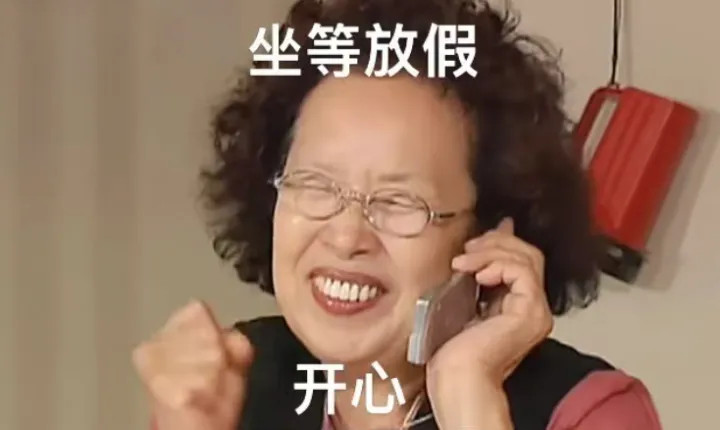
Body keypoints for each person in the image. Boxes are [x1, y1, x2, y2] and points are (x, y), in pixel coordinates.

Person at [132, 0, 663, 429]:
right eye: (314, 185)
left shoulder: (591, 413)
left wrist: (470, 398)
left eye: (399, 202)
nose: (345, 237)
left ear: (489, 237)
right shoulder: (232, 384)